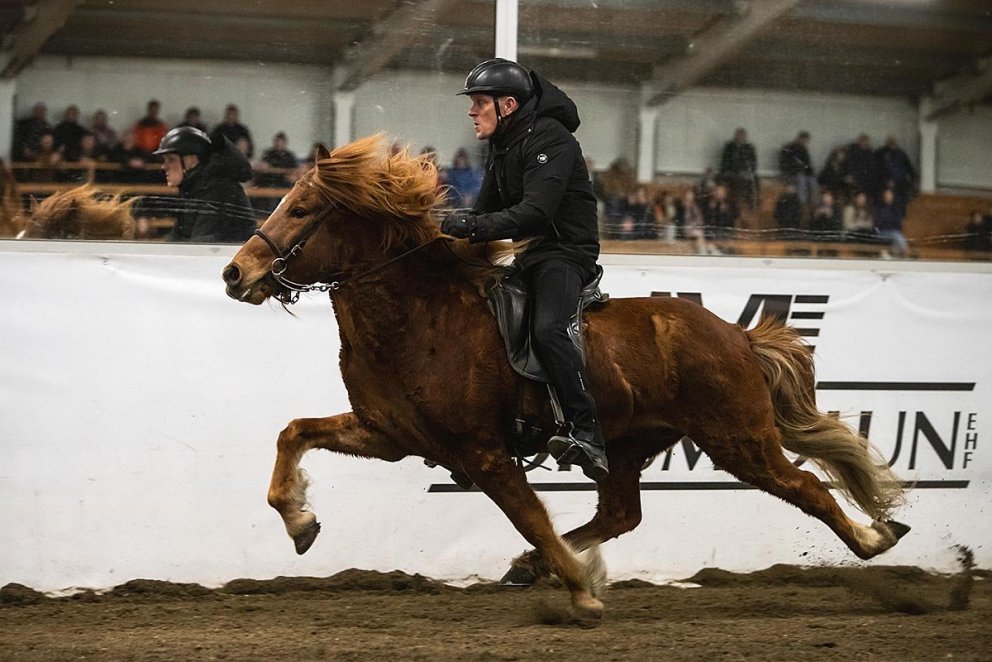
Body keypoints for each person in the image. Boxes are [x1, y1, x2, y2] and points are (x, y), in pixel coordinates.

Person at [440, 58, 608, 481]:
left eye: (480, 103)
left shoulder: (550, 138)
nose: (471, 111)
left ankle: (587, 433)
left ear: (508, 105)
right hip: (531, 256)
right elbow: (486, 212)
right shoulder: (505, 144)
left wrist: (473, 225)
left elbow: (534, 212)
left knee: (549, 329)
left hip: (566, 253)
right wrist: (442, 234)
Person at [154, 126, 256, 243]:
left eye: (171, 159)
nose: (164, 166)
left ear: (191, 160)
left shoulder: (217, 188)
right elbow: (178, 237)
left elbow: (200, 245)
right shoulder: (195, 188)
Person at [719, 128, 759, 210]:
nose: (741, 137)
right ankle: (735, 203)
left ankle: (752, 203)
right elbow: (724, 162)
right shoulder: (729, 147)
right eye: (739, 135)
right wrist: (736, 171)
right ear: (735, 136)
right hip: (731, 172)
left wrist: (748, 172)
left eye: (743, 136)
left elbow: (753, 163)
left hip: (744, 172)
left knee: (755, 179)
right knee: (738, 179)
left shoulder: (749, 148)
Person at [875, 136, 917, 211]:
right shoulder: (881, 153)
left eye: (893, 141)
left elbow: (908, 167)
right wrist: (887, 180)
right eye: (890, 141)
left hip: (900, 183)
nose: (892, 143)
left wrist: (914, 179)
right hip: (886, 184)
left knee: (900, 202)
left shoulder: (901, 153)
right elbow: (879, 169)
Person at [779, 130, 818, 207]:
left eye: (806, 141)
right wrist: (796, 171)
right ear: (799, 139)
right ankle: (801, 203)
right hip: (790, 174)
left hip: (802, 174)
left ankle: (816, 204)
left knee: (814, 182)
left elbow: (807, 165)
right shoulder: (788, 148)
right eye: (803, 141)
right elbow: (784, 164)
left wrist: (811, 174)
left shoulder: (804, 150)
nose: (804, 143)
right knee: (801, 180)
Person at [874, 188, 908, 258]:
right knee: (897, 235)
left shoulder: (895, 209)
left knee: (896, 237)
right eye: (886, 194)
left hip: (894, 232)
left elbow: (898, 224)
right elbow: (878, 224)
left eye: (889, 194)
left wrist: (890, 223)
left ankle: (895, 257)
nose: (888, 196)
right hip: (882, 233)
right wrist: (890, 224)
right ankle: (906, 253)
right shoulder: (879, 208)